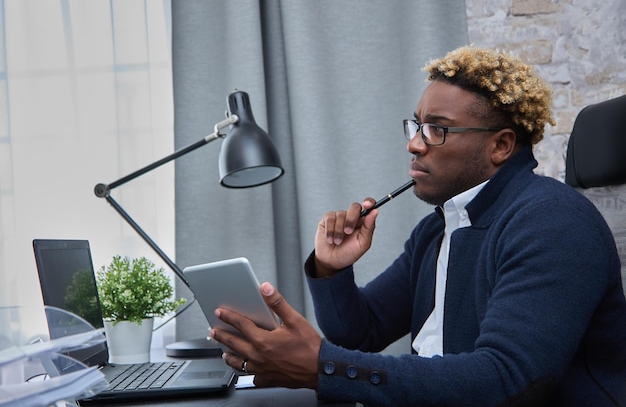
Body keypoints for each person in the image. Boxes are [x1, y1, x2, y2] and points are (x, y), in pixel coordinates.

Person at [210, 46, 626, 406]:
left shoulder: (552, 222)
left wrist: (325, 367)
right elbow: (361, 334)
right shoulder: (439, 229)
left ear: (500, 145)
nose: (414, 143)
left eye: (436, 130)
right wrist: (331, 269)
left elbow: (506, 383)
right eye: (416, 125)